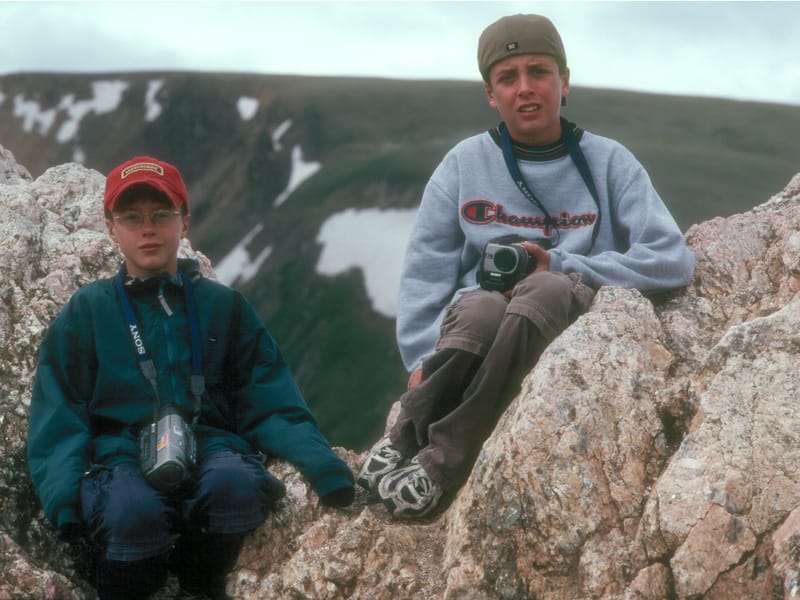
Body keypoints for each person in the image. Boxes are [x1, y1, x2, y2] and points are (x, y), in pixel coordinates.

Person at [356, 13, 695, 520]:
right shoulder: (463, 164)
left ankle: (442, 461)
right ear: (490, 95)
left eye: (539, 71)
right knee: (480, 308)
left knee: (546, 289)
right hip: (481, 318)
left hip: (566, 307)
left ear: (565, 81)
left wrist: (560, 263)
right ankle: (407, 432)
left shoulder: (609, 162)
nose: (526, 89)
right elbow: (427, 269)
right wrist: (420, 357)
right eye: (507, 78)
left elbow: (671, 259)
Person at [27, 156, 355, 599]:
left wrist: (324, 469)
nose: (148, 228)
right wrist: (63, 498)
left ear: (185, 221)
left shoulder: (224, 306)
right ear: (110, 227)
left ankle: (202, 586)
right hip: (120, 452)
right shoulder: (89, 309)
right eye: (132, 217)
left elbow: (270, 396)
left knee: (234, 486)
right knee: (130, 513)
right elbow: (59, 406)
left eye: (162, 214)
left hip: (210, 441)